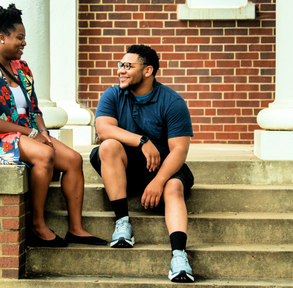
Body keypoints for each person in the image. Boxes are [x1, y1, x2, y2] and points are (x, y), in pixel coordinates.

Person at [0, 4, 106, 247]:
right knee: (45, 155)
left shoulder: (21, 67)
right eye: (20, 37)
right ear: (1, 37)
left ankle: (76, 229)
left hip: (23, 133)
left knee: (72, 159)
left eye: (24, 38)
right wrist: (32, 133)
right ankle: (37, 226)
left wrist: (45, 133)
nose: (24, 43)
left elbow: (34, 108)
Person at [90, 44, 195, 282]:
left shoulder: (172, 101)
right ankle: (123, 224)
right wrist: (141, 140)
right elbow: (104, 129)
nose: (121, 70)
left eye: (128, 66)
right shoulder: (113, 94)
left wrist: (158, 181)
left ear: (148, 71)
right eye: (121, 65)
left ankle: (179, 257)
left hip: (163, 166)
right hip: (125, 165)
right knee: (108, 146)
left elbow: (179, 150)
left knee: (174, 187)